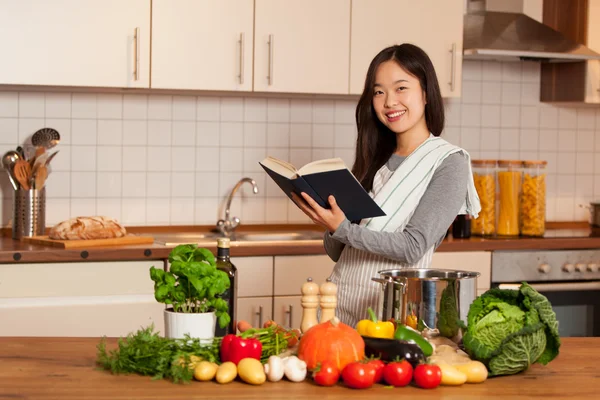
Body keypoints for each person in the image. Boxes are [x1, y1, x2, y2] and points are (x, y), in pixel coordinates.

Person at [291, 43, 481, 328]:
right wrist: (330, 223)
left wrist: (342, 228)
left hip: (391, 316)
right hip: (339, 309)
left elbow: (412, 247)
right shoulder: (375, 159)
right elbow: (340, 252)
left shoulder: (448, 162)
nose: (389, 101)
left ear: (426, 93)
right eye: (379, 92)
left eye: (401, 88)